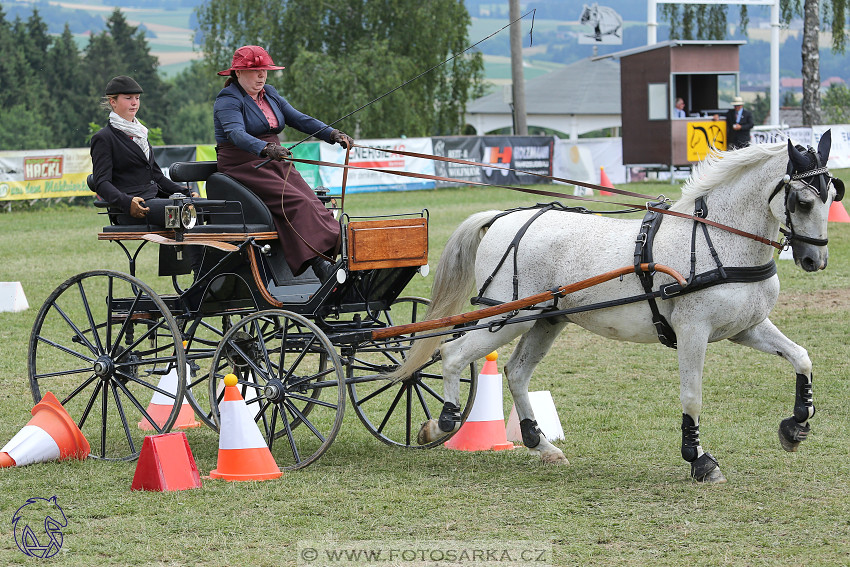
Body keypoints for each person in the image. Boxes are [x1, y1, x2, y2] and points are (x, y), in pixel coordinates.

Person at [213, 45, 353, 281]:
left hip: (273, 159)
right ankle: (320, 266)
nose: (261, 76)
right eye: (255, 70)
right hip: (243, 164)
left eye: (265, 70)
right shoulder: (228, 99)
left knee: (314, 201)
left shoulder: (270, 93)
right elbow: (235, 134)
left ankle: (337, 257)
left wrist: (332, 134)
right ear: (237, 73)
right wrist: (265, 148)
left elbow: (299, 119)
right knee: (297, 202)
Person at [90, 76, 198, 226]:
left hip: (155, 201)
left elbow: (157, 177)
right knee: (185, 211)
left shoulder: (140, 133)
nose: (134, 102)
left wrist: (186, 192)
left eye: (137, 98)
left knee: (206, 206)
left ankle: (211, 250)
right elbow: (102, 183)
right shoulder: (103, 138)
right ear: (112, 101)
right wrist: (127, 202)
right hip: (131, 209)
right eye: (128, 98)